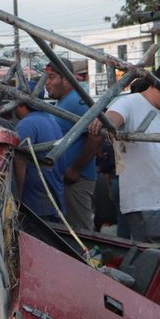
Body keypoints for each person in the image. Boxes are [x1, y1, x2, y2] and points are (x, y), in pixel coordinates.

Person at [88, 62, 160, 242]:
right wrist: (106, 122)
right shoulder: (129, 103)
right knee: (154, 257)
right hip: (148, 203)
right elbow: (114, 118)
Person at [43, 63, 101, 232]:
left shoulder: (77, 101)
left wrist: (76, 169)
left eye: (52, 77)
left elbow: (95, 136)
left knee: (80, 233)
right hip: (64, 179)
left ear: (67, 80)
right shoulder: (62, 102)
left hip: (76, 180)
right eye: (46, 78)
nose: (47, 83)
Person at [14, 99, 65, 220]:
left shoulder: (26, 124)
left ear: (21, 103)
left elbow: (19, 162)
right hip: (53, 198)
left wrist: (17, 200)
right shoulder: (51, 120)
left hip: (34, 203)